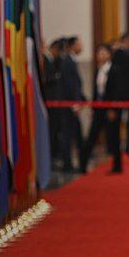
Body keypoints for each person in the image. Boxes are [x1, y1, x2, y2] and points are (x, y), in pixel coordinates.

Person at [79, 44, 123, 174]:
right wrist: (93, 107)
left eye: (104, 53)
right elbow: (96, 91)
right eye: (99, 53)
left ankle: (117, 166)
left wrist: (113, 109)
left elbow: (118, 91)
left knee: (113, 137)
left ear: (109, 55)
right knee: (92, 136)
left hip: (110, 109)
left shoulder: (115, 70)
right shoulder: (97, 70)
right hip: (99, 108)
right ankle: (83, 164)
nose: (101, 55)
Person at [59, 36, 85, 172]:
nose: (81, 47)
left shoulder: (71, 60)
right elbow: (70, 84)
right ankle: (67, 164)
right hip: (69, 105)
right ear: (73, 45)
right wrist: (75, 103)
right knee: (69, 135)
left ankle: (78, 162)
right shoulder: (67, 61)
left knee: (75, 134)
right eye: (79, 44)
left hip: (73, 103)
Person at [42, 38, 65, 166]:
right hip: (49, 100)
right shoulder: (45, 59)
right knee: (51, 129)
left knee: (56, 129)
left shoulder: (54, 60)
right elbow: (46, 78)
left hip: (55, 101)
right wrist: (55, 77)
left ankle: (55, 153)